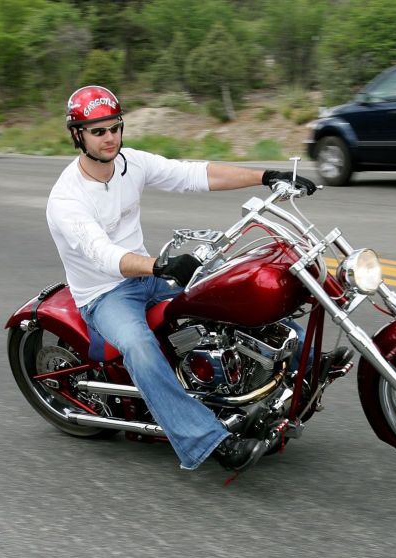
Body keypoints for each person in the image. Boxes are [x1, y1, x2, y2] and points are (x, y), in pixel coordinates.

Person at [46, 85, 317, 473]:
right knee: (139, 347)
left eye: (114, 128)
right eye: (98, 131)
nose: (109, 138)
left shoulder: (131, 163)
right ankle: (207, 442)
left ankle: (301, 363)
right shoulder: (67, 199)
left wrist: (266, 175)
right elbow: (101, 254)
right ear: (78, 135)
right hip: (106, 294)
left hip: (146, 274)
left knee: (228, 290)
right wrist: (159, 266)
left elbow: (192, 174)